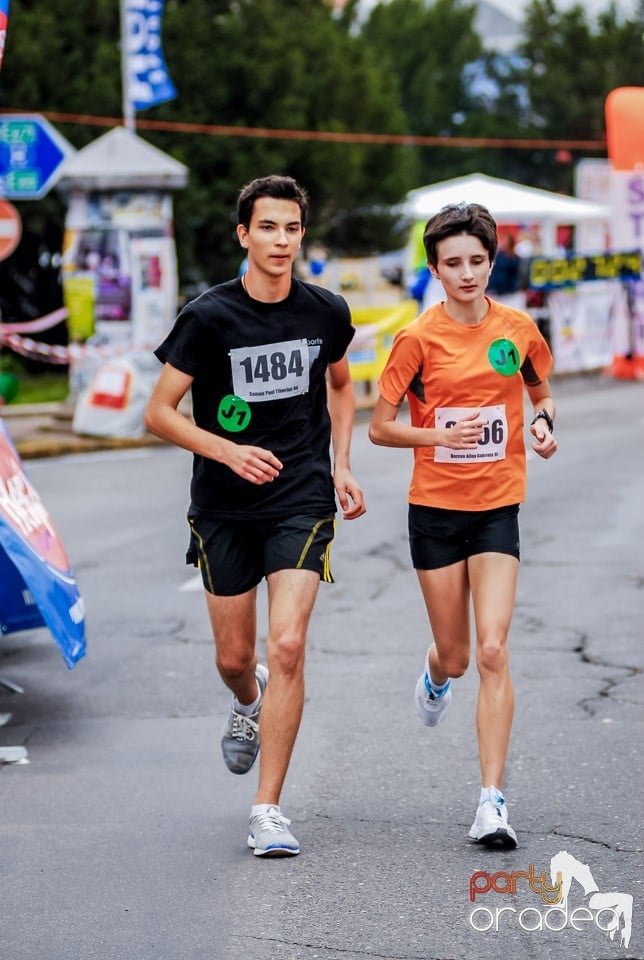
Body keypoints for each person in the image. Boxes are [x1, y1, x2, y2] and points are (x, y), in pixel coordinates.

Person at [145, 175, 366, 857]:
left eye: (292, 228)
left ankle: (267, 808)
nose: (281, 240)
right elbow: (156, 413)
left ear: (302, 234)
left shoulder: (325, 311)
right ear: (244, 233)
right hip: (224, 506)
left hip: (301, 497)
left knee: (289, 646)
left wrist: (343, 464)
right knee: (236, 657)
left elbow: (341, 387)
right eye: (268, 227)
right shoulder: (209, 316)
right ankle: (247, 699)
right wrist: (227, 451)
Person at [369, 202, 557, 849]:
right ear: (435, 268)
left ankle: (491, 803)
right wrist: (437, 432)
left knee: (494, 650)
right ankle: (435, 674)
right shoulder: (417, 341)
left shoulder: (519, 330)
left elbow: (541, 394)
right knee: (455, 654)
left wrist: (543, 424)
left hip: (499, 504)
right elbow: (380, 425)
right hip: (437, 512)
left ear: (492, 260)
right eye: (454, 263)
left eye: (477, 261)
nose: (467, 273)